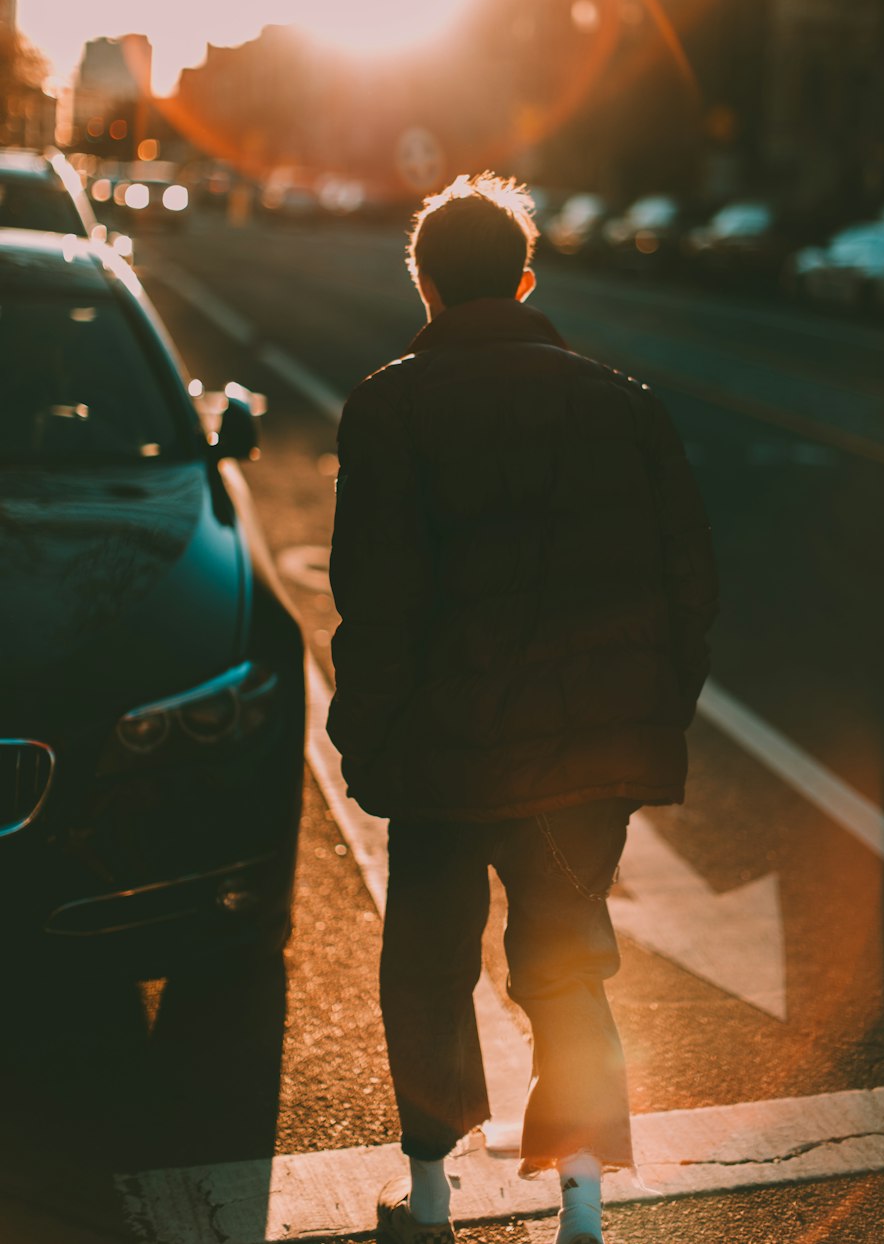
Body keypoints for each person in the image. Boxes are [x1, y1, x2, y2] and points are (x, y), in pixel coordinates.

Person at [327, 173, 718, 1244]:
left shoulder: (390, 404)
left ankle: (430, 1199)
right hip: (586, 760)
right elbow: (690, 583)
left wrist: (367, 738)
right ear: (525, 277)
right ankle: (582, 1208)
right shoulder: (622, 403)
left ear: (425, 286)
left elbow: (376, 596)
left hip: (445, 759)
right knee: (567, 966)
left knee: (428, 967)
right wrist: (647, 714)